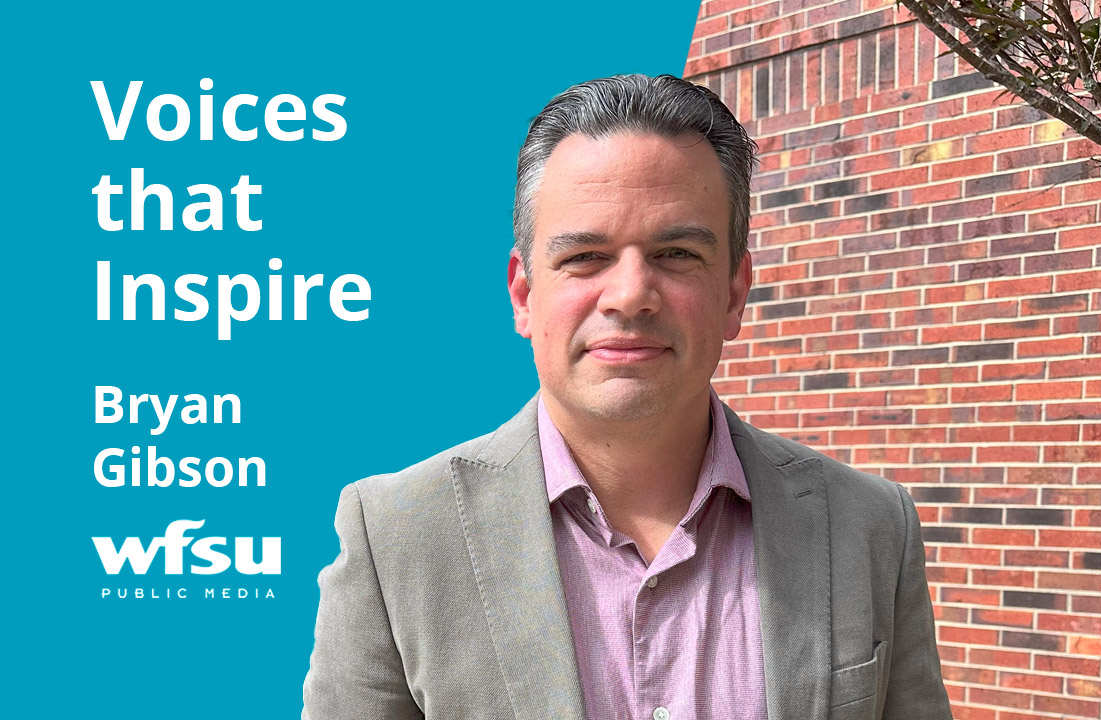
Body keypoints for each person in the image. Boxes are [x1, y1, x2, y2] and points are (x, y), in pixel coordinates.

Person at [302, 74, 953, 720]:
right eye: (586, 256)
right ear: (524, 294)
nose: (630, 295)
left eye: (675, 252)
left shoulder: (870, 527)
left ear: (733, 291)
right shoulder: (397, 537)